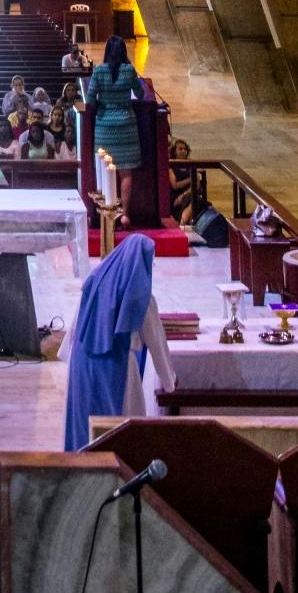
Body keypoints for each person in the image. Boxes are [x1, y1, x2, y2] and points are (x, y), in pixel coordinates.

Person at [63, 230, 175, 447]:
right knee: (121, 433)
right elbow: (157, 343)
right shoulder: (141, 298)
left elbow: (76, 328)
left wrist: (71, 361)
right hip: (118, 366)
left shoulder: (94, 282)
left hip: (82, 363)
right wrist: (169, 382)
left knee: (82, 425)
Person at [85, 33, 146, 209]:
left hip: (104, 126)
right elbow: (140, 93)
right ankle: (125, 214)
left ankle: (105, 213)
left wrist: (103, 103)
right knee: (126, 174)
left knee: (105, 172)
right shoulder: (129, 70)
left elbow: (89, 101)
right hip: (126, 126)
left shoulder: (98, 71)